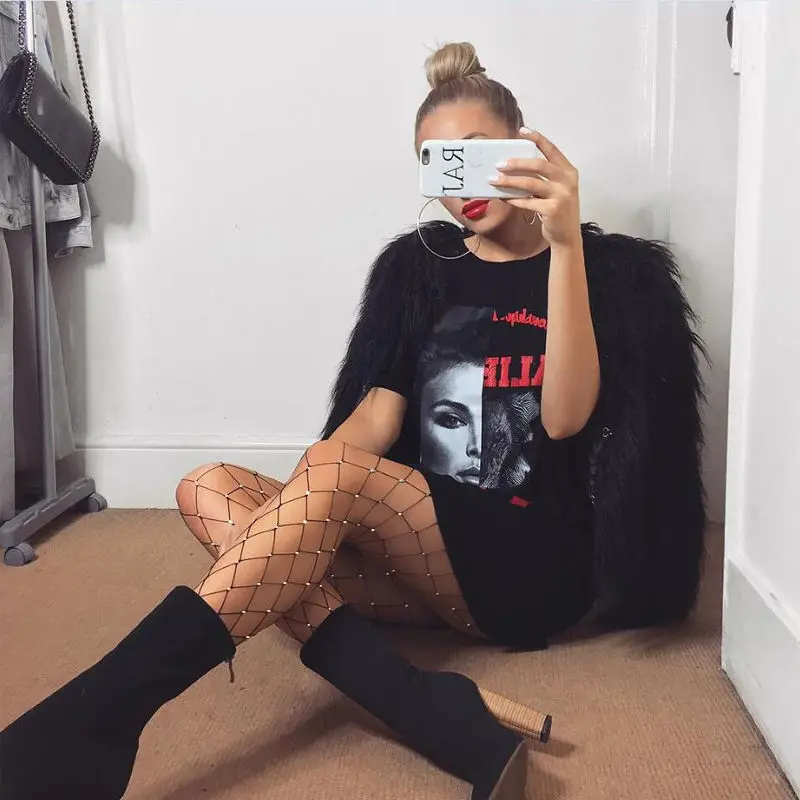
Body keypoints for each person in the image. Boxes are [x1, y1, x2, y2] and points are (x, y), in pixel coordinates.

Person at [0, 42, 706, 800]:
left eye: (474, 154)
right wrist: (292, 523)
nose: (460, 185)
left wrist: (564, 245)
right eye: (438, 164)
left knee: (319, 491)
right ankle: (423, 704)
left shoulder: (604, 274)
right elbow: (375, 418)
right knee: (207, 488)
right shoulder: (421, 269)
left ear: (522, 145)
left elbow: (564, 421)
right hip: (426, 552)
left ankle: (99, 714)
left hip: (528, 558)